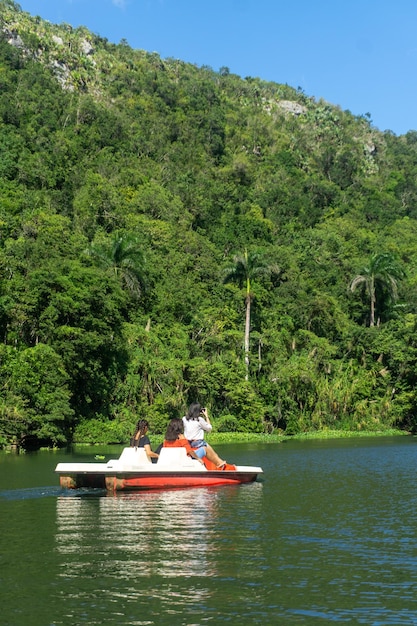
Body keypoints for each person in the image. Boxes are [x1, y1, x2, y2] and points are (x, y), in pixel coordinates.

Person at [182, 402, 226, 469]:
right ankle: (219, 463)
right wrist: (206, 416)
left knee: (207, 447)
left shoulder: (184, 419)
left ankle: (219, 463)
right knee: (211, 450)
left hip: (188, 443)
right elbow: (209, 428)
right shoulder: (199, 420)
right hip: (197, 443)